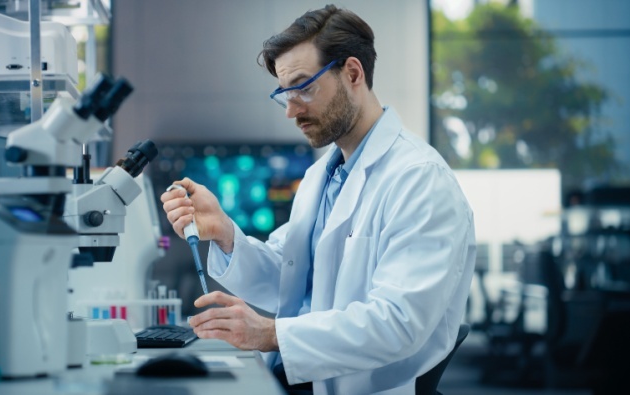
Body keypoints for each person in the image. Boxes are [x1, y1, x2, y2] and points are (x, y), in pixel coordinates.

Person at [160, 4, 475, 395]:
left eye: (304, 88)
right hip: (300, 378)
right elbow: (292, 275)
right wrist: (225, 233)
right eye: (284, 94)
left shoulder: (419, 180)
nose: (291, 111)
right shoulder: (321, 177)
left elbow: (398, 322)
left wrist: (271, 333)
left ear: (354, 73)